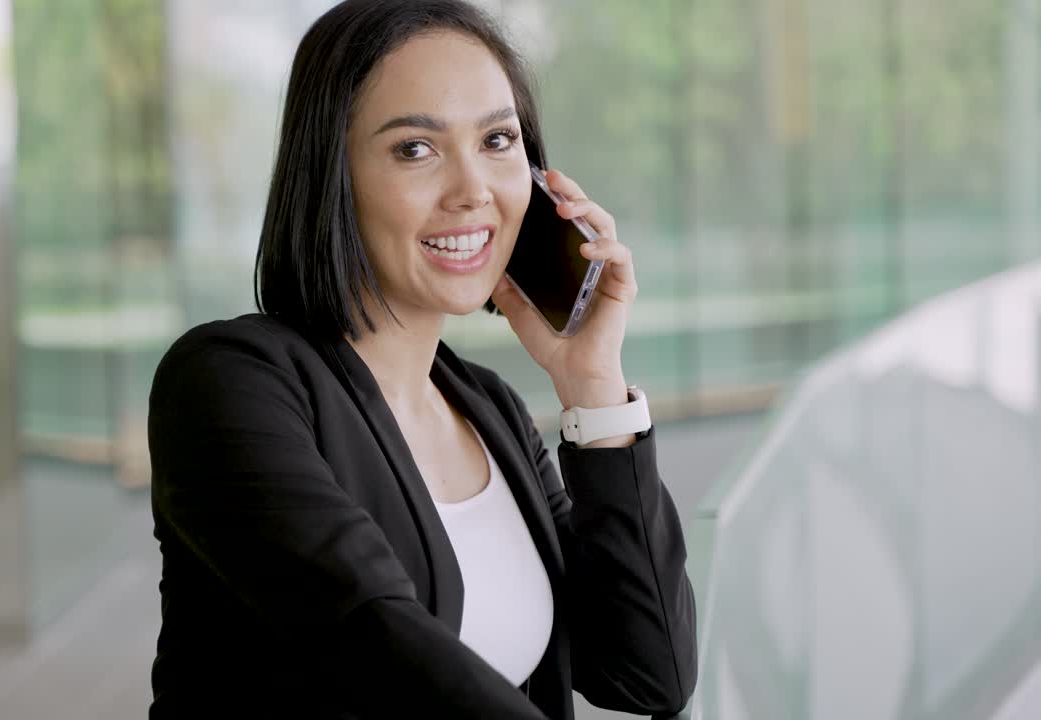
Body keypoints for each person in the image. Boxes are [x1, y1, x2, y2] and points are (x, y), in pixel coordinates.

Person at [147, 1, 696, 717]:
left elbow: (649, 671)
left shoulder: (490, 412)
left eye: (497, 140)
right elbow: (376, 645)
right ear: (332, 174)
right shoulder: (230, 382)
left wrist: (593, 387)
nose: (473, 191)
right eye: (415, 148)